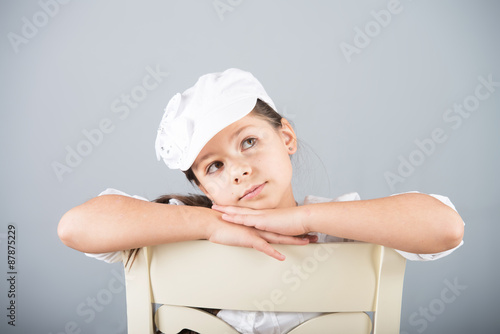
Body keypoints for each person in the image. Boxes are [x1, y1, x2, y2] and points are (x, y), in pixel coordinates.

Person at [58, 68, 465, 334]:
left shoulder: (344, 228)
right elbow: (75, 227)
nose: (238, 170)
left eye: (249, 142)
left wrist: (305, 217)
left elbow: (446, 228)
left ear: (286, 137)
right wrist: (210, 225)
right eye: (214, 166)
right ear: (202, 184)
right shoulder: (179, 230)